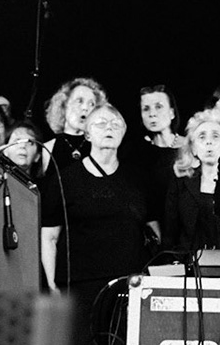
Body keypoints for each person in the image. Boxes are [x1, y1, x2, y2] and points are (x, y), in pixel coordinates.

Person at [38, 101, 155, 294]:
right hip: (79, 284)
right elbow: (49, 237)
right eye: (101, 123)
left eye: (116, 124)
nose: (109, 127)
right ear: (87, 134)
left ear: (123, 133)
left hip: (130, 282)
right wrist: (52, 284)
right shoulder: (65, 179)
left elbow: (154, 230)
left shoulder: (138, 179)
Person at [162, 108, 220, 255]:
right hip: (190, 266)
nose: (209, 143)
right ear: (193, 148)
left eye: (215, 136)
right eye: (202, 137)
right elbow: (170, 232)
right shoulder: (180, 183)